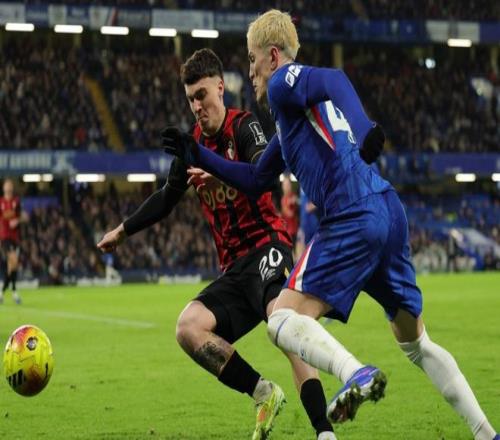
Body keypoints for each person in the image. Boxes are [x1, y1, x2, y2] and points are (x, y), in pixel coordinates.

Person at [162, 10, 499, 440]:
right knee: (417, 344)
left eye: (251, 59)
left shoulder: (283, 83)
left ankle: (355, 373)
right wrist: (199, 155)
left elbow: (334, 78)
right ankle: (487, 433)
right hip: (387, 211)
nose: (249, 71)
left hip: (351, 216)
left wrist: (365, 126)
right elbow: (257, 177)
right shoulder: (293, 120)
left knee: (281, 321)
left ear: (272, 56)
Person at [96, 48, 377, 440]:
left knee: (285, 325)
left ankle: (325, 430)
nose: (197, 106)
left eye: (202, 95)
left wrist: (219, 174)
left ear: (220, 87)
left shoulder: (245, 126)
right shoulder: (192, 146)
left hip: (267, 248)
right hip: (232, 270)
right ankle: (264, 393)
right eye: (190, 99)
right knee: (188, 328)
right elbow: (166, 197)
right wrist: (122, 231)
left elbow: (261, 172)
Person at [0, 178, 22, 305]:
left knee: (12, 267)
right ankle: (14, 292)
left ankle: (3, 292)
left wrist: (17, 221)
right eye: (6, 185)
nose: (8, 187)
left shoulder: (16, 202)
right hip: (5, 237)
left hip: (15, 238)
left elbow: (20, 216)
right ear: (3, 188)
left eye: (10, 185)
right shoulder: (1, 202)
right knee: (13, 260)